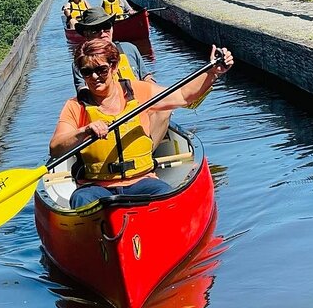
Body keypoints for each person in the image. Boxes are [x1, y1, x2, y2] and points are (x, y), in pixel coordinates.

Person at [49, 39, 234, 208]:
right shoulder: (75, 105)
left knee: (165, 194)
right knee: (80, 200)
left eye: (101, 70)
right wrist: (84, 131)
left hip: (142, 180)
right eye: (87, 72)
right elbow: (56, 147)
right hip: (97, 186)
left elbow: (183, 96)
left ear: (114, 67)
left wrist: (212, 73)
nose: (95, 77)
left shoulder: (138, 91)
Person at [72, 7, 169, 149]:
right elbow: (84, 94)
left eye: (106, 27)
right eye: (96, 29)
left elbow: (146, 77)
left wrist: (158, 93)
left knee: (164, 108)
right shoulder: (82, 62)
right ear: (86, 35)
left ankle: (147, 151)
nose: (103, 32)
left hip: (139, 108)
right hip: (107, 116)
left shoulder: (129, 48)